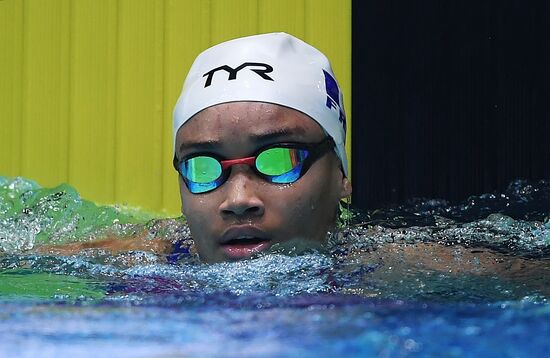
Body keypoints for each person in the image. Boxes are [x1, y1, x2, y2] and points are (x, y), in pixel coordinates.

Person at [39, 33, 352, 264]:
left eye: (280, 160)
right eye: (204, 166)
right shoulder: (135, 261)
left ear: (340, 173)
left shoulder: (387, 269)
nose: (238, 201)